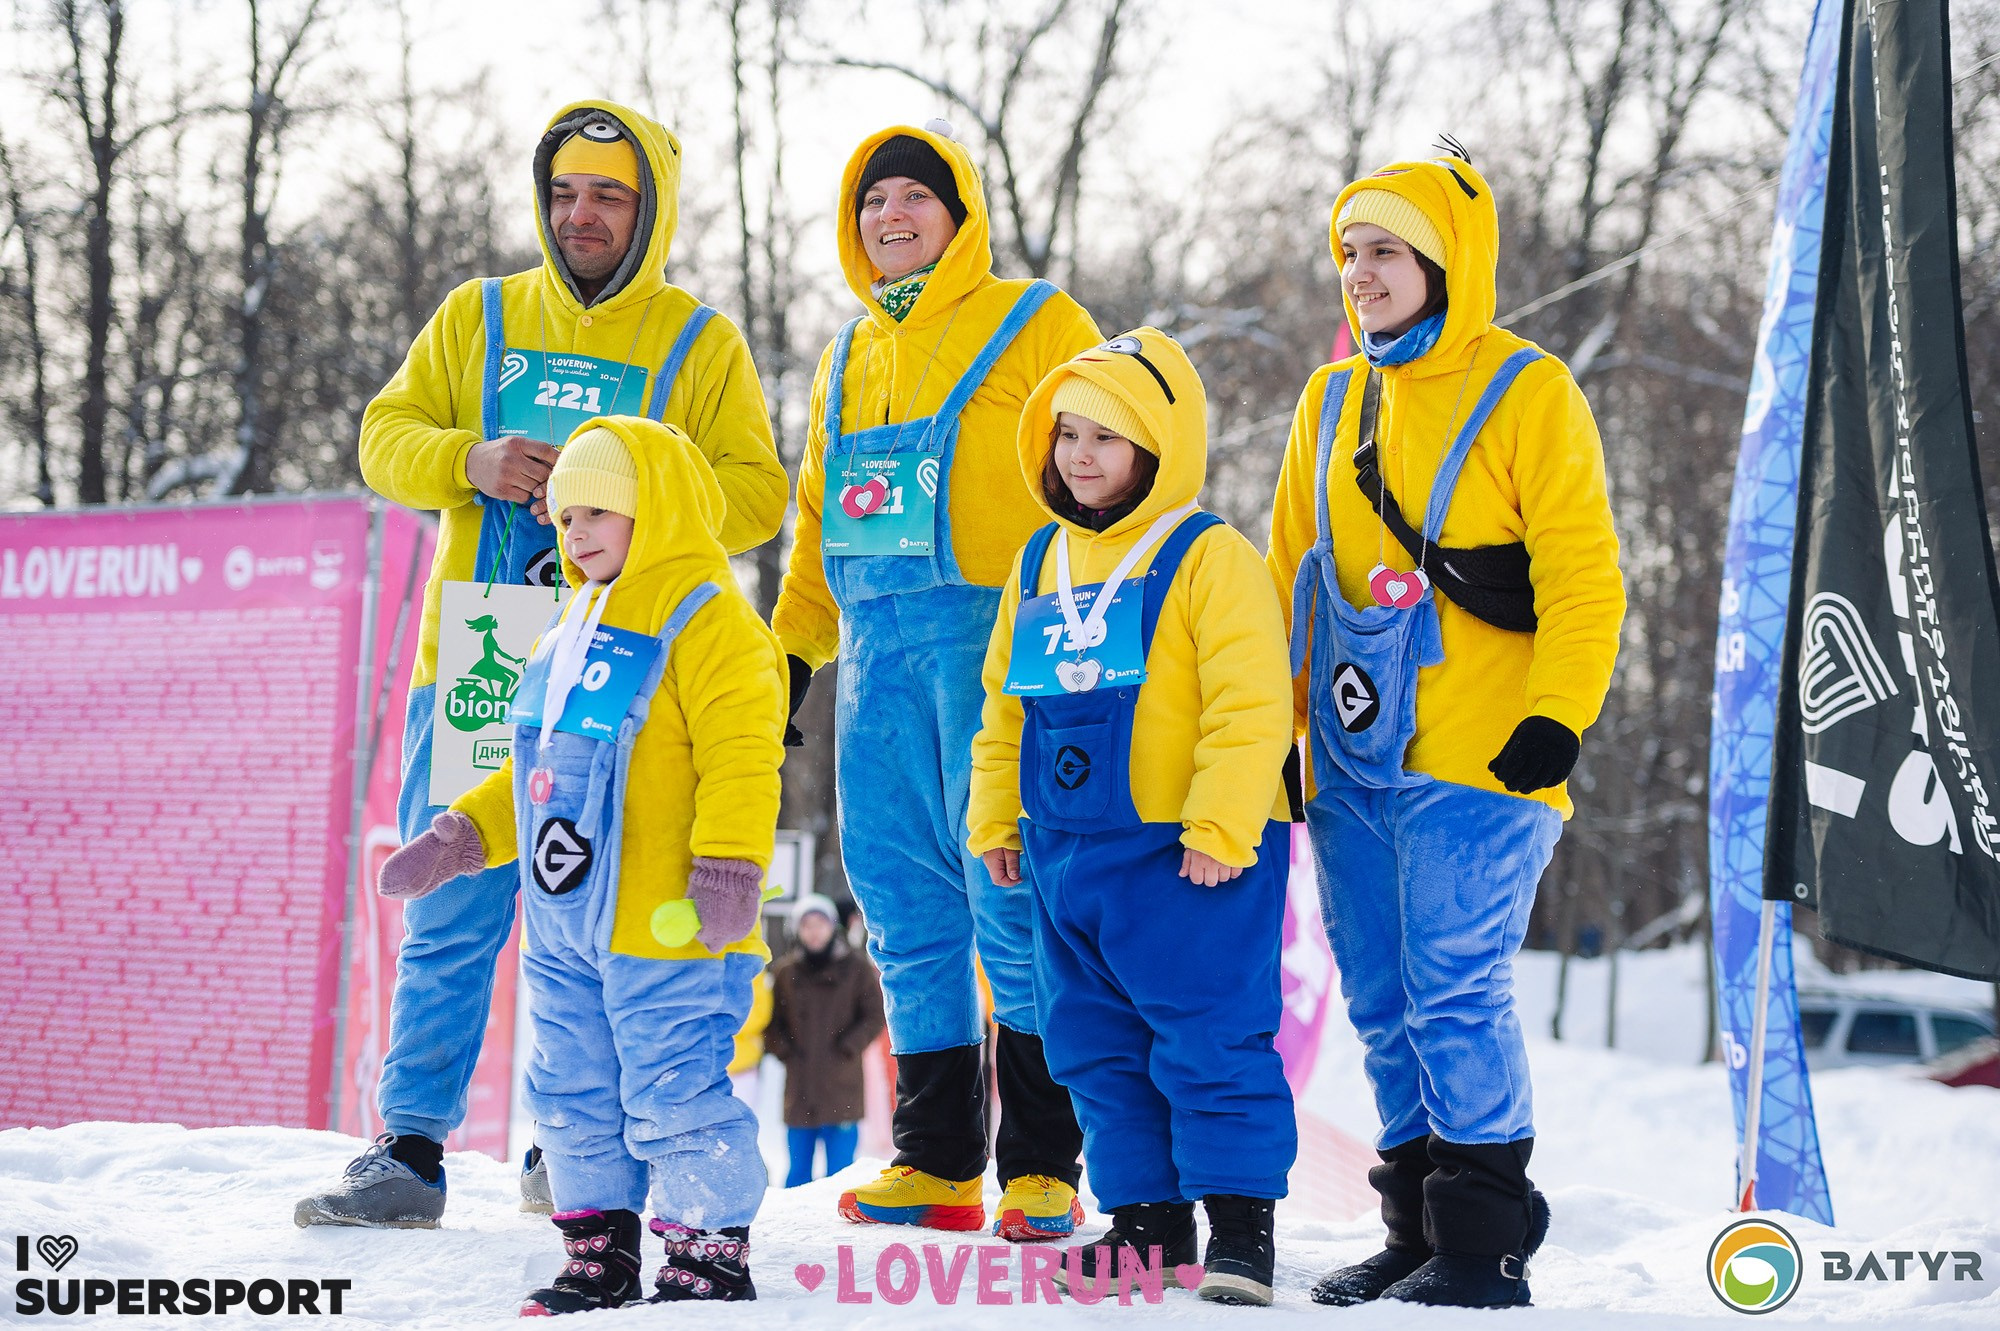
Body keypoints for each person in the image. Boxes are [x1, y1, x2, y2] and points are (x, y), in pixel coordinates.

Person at [305, 100, 787, 1230]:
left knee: (599, 899)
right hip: (483, 638)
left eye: (608, 195)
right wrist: (468, 457)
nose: (582, 213)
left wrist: (631, 481)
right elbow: (385, 434)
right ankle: (409, 1147)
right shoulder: (479, 315)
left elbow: (759, 492)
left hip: (626, 658)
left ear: (649, 209)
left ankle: (571, 1146)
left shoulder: (695, 341)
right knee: (456, 892)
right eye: (565, 191)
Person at [1266, 147, 1625, 1309]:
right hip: (1348, 754)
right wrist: (1271, 731)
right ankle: (1416, 1227)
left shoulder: (1529, 392)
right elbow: (1285, 577)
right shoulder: (1328, 401)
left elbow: (1584, 575)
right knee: (1378, 998)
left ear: (1444, 262)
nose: (1360, 275)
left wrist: (1555, 717)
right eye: (1349, 254)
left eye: (1384, 253)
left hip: (1480, 756)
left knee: (1454, 989)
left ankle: (1483, 1244)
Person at [771, 121, 1101, 1241]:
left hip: (995, 645)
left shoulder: (1036, 319)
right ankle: (936, 1160)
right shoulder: (841, 359)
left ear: (959, 214)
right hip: (872, 659)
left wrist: (1097, 623)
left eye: (915, 194)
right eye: (871, 201)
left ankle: (1043, 1163)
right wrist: (787, 658)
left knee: (1009, 890)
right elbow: (814, 529)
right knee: (905, 907)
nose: (890, 215)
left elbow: (1109, 456)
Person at [374, 418, 786, 1312]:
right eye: (565, 518)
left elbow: (742, 759)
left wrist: (726, 871)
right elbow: (533, 766)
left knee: (672, 1078)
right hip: (563, 925)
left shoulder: (713, 621)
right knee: (569, 1089)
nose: (578, 532)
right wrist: (461, 834)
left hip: (663, 921)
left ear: (659, 506)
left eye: (600, 510)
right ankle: (599, 1247)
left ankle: (709, 1244)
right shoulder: (566, 628)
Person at [968, 329, 1298, 1306]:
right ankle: (1146, 1224)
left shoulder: (1207, 554)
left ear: (1159, 444)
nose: (1078, 454)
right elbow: (1002, 704)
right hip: (1068, 849)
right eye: (1066, 431)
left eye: (1105, 435)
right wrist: (995, 816)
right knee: (1093, 1043)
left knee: (1209, 1035)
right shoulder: (1039, 561)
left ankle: (1239, 1226)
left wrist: (1220, 823)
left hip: (1186, 854)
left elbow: (1250, 701)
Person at [765, 893, 886, 1188]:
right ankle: (793, 1229)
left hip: (842, 1084)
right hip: (800, 1085)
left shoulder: (856, 969)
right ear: (798, 929)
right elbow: (772, 1024)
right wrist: (786, 1051)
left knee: (841, 1175)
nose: (814, 931)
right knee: (797, 1175)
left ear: (833, 926)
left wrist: (849, 1046)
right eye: (807, 924)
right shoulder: (785, 972)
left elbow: (875, 1015)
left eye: (820, 923)